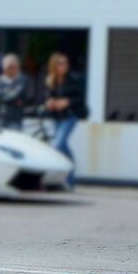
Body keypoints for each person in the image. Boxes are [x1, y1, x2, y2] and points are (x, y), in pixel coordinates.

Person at [38, 51, 84, 187]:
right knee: (63, 147)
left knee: (57, 144)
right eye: (61, 63)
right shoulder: (50, 80)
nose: (64, 66)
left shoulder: (73, 79)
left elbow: (79, 99)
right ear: (54, 66)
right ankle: (69, 180)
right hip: (57, 116)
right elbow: (46, 96)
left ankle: (62, 178)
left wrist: (66, 102)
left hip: (70, 116)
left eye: (66, 63)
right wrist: (49, 102)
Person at [0, 53, 32, 133]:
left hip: (14, 119)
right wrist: (7, 92)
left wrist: (0, 98)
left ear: (18, 67)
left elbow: (15, 94)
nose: (10, 70)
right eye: (8, 67)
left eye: (12, 67)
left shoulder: (22, 80)